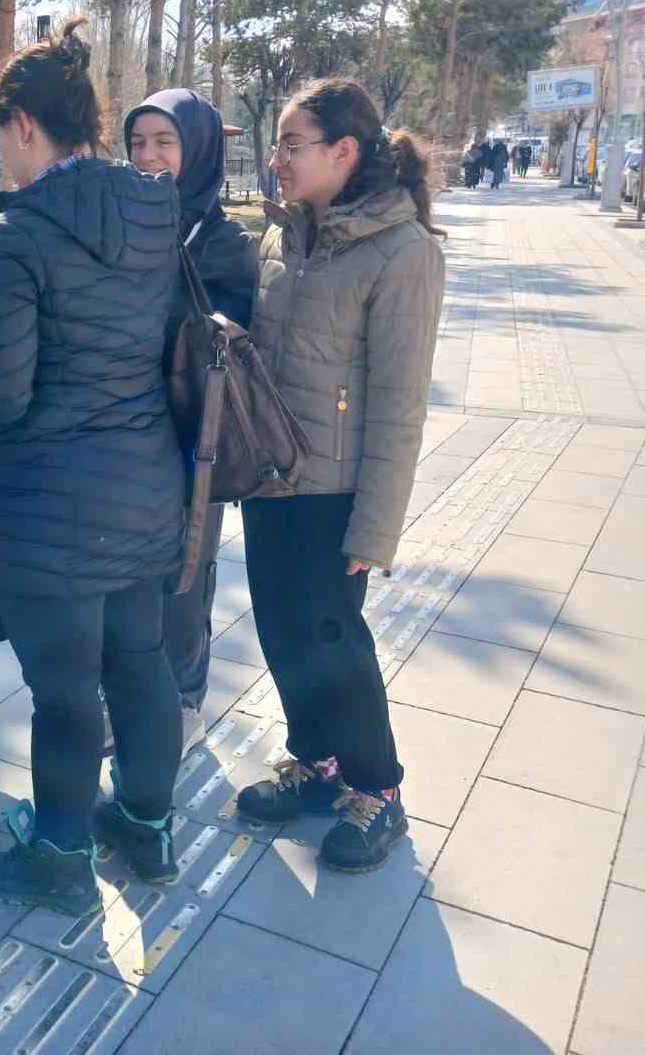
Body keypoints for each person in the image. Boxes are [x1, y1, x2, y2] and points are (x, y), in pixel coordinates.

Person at [0, 20, 186, 915]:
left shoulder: (17, 237)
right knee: (143, 664)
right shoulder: (159, 210)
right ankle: (150, 829)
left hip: (54, 510)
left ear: (24, 127)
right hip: (148, 487)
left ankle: (60, 853)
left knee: (67, 690)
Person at [238, 78, 444, 873]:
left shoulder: (403, 252)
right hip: (270, 476)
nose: (277, 159)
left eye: (293, 145)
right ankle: (318, 766)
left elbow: (400, 403)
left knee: (333, 642)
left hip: (335, 493)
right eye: (279, 144)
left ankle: (377, 790)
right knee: (282, 631)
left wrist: (375, 527)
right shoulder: (286, 236)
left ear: (344, 152)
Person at [123, 89, 259, 756]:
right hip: (123, 433)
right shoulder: (120, 223)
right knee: (126, 577)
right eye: (138, 142)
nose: (148, 157)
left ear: (198, 149)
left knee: (185, 573)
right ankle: (127, 698)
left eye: (165, 143)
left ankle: (181, 701)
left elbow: (229, 342)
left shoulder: (226, 241)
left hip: (192, 442)